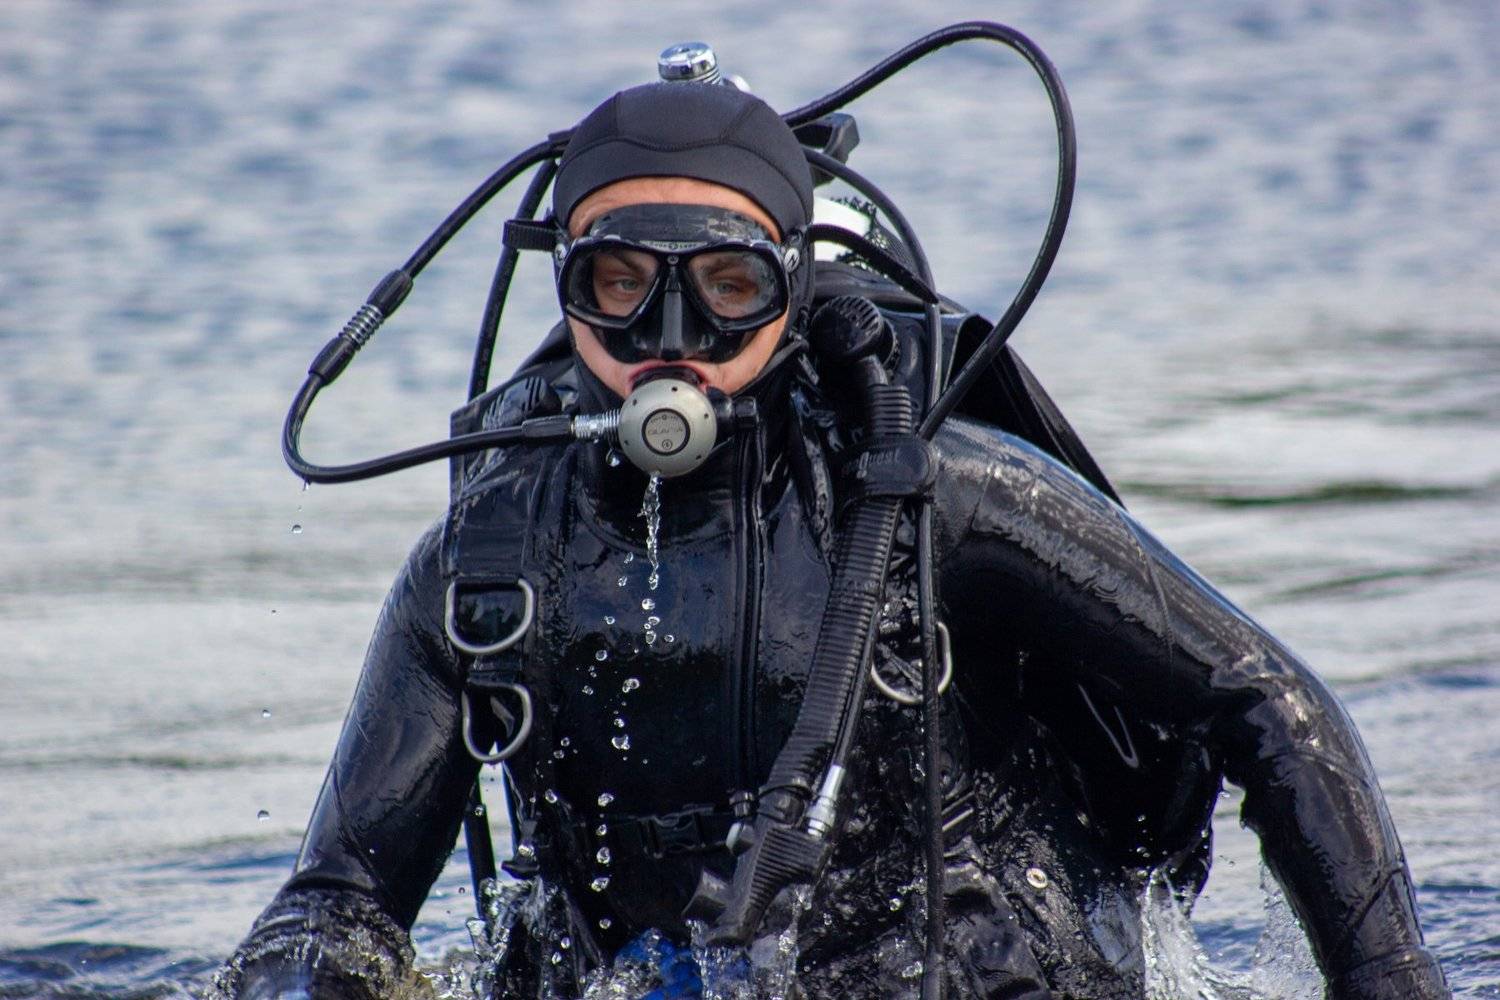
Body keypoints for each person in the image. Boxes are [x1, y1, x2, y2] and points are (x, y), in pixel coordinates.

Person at [215, 82, 1449, 999]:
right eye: (620, 282)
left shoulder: (937, 499)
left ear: (794, 287)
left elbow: (1265, 700)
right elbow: (338, 900)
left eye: (729, 287)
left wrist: (1389, 978)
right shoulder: (483, 570)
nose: (671, 337)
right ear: (566, 286)